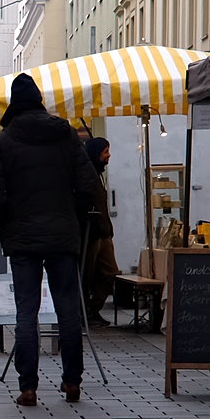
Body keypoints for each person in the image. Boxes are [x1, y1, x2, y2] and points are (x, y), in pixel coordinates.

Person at [0, 73, 96, 406]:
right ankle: (72, 381)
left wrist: (10, 221)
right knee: (68, 310)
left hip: (23, 236)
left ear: (13, 105)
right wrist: (70, 215)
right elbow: (88, 185)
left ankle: (28, 387)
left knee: (26, 311)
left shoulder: (2, 143)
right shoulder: (67, 136)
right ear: (40, 101)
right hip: (62, 233)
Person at [81, 136, 119, 325]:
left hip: (103, 232)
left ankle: (92, 308)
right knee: (87, 274)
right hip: (91, 233)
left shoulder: (97, 174)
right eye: (105, 152)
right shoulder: (86, 175)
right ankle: (85, 312)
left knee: (110, 271)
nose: (108, 155)